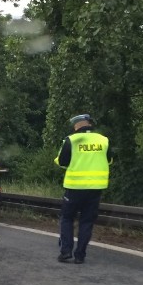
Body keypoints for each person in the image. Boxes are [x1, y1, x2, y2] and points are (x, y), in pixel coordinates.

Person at [54, 113, 112, 264]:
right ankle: (80, 255)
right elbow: (110, 160)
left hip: (74, 187)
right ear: (89, 124)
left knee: (67, 218)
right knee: (87, 221)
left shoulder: (71, 140)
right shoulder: (103, 140)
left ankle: (66, 251)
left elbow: (62, 162)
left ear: (76, 125)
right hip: (95, 188)